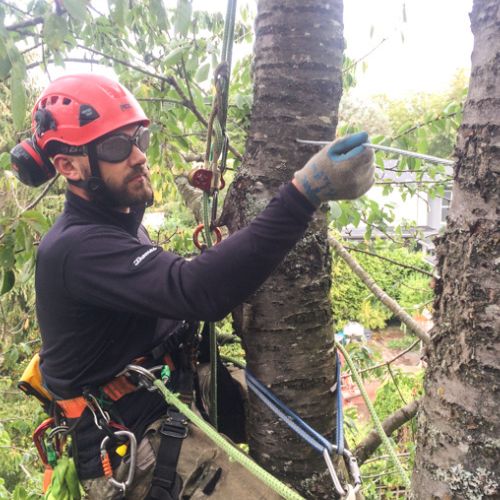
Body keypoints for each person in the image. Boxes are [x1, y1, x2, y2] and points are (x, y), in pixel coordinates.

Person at [14, 73, 374, 499]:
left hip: (169, 392)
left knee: (305, 425)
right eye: (115, 147)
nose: (137, 157)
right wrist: (303, 193)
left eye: (138, 139)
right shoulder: (75, 248)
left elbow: (177, 290)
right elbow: (196, 290)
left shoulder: (119, 226)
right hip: (133, 443)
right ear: (68, 166)